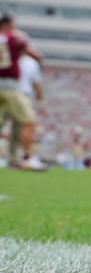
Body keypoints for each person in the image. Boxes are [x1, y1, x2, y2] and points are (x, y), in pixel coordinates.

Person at [0, 13, 46, 170]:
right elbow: (34, 54)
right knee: (28, 121)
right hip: (10, 86)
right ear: (8, 24)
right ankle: (27, 157)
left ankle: (12, 157)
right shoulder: (14, 38)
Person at [6, 54, 45, 161]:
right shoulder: (30, 62)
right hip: (20, 96)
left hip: (10, 93)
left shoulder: (26, 61)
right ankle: (26, 156)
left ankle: (14, 156)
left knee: (17, 128)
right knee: (27, 124)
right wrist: (40, 101)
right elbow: (37, 84)